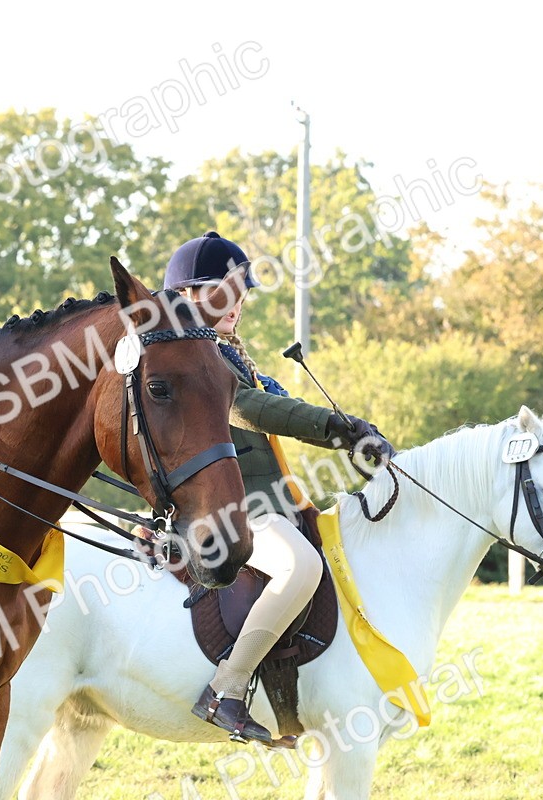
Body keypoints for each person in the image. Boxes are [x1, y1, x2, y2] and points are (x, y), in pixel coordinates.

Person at [163, 231, 394, 744]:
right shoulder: (193, 362)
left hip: (274, 504)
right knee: (301, 566)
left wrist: (349, 437)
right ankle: (226, 688)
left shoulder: (236, 360)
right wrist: (337, 426)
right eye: (223, 294)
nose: (236, 306)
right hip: (232, 508)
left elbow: (279, 412)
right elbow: (252, 410)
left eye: (241, 295)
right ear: (185, 298)